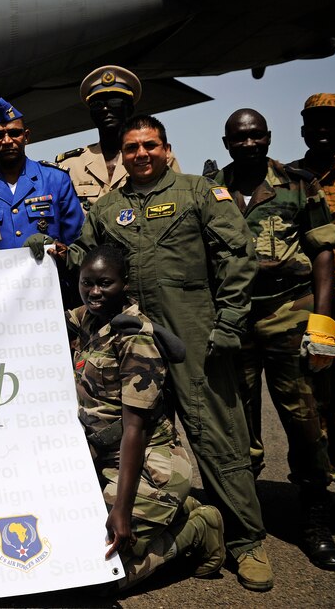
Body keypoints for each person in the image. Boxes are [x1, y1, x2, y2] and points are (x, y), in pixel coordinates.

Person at [58, 115, 272, 591]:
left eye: (150, 145)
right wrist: (47, 250)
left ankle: (246, 542)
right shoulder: (109, 208)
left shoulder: (198, 193)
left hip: (193, 335)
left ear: (167, 148)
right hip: (133, 341)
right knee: (138, 430)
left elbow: (238, 254)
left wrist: (231, 320)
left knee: (218, 437)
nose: (141, 154)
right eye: (132, 147)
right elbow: (84, 258)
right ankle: (179, 508)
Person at [212, 108, 335, 570]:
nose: (248, 144)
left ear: (267, 138)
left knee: (306, 422)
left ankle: (315, 522)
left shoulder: (298, 183)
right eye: (239, 138)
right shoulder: (213, 188)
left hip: (291, 312)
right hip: (236, 319)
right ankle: (247, 526)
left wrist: (322, 321)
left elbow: (322, 250)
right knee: (238, 426)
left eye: (256, 136)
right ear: (227, 143)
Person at [67, 245, 224, 591]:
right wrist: (38, 258)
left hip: (151, 467)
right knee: (65, 556)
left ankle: (195, 529)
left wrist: (120, 510)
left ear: (124, 283)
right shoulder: (88, 320)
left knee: (99, 577)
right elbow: (34, 318)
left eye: (105, 283)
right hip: (105, 462)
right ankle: (173, 512)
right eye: (86, 282)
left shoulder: (137, 339)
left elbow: (134, 431)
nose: (94, 291)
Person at [287, 93, 335, 555]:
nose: (322, 129)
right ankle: (314, 497)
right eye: (313, 121)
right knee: (309, 408)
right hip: (306, 305)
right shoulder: (290, 178)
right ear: (302, 128)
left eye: (332, 122)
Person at [55, 66, 180, 213]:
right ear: (91, 114)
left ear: (130, 109)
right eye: (97, 105)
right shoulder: (70, 165)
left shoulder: (156, 158)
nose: (106, 110)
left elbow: (177, 202)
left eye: (115, 102)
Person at [0, 96, 82, 248]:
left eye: (14, 133)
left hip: (49, 271)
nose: (7, 141)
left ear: (26, 136)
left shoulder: (55, 179)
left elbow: (77, 243)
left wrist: (59, 249)